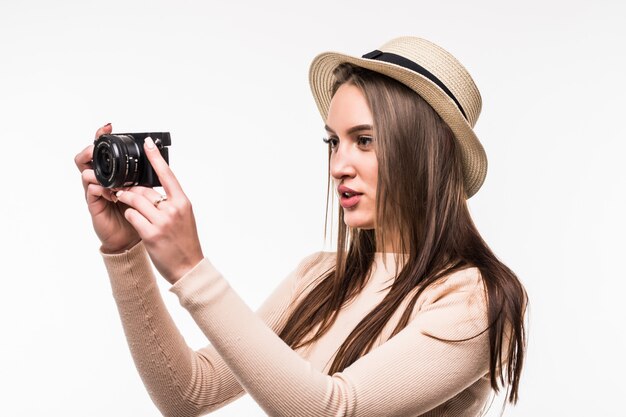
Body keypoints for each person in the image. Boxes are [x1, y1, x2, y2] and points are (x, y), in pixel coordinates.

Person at [75, 36, 527, 417]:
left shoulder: (473, 298)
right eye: (333, 142)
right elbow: (188, 392)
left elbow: (332, 409)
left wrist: (192, 270)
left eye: (364, 141)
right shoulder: (319, 275)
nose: (338, 166)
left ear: (426, 153)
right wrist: (124, 251)